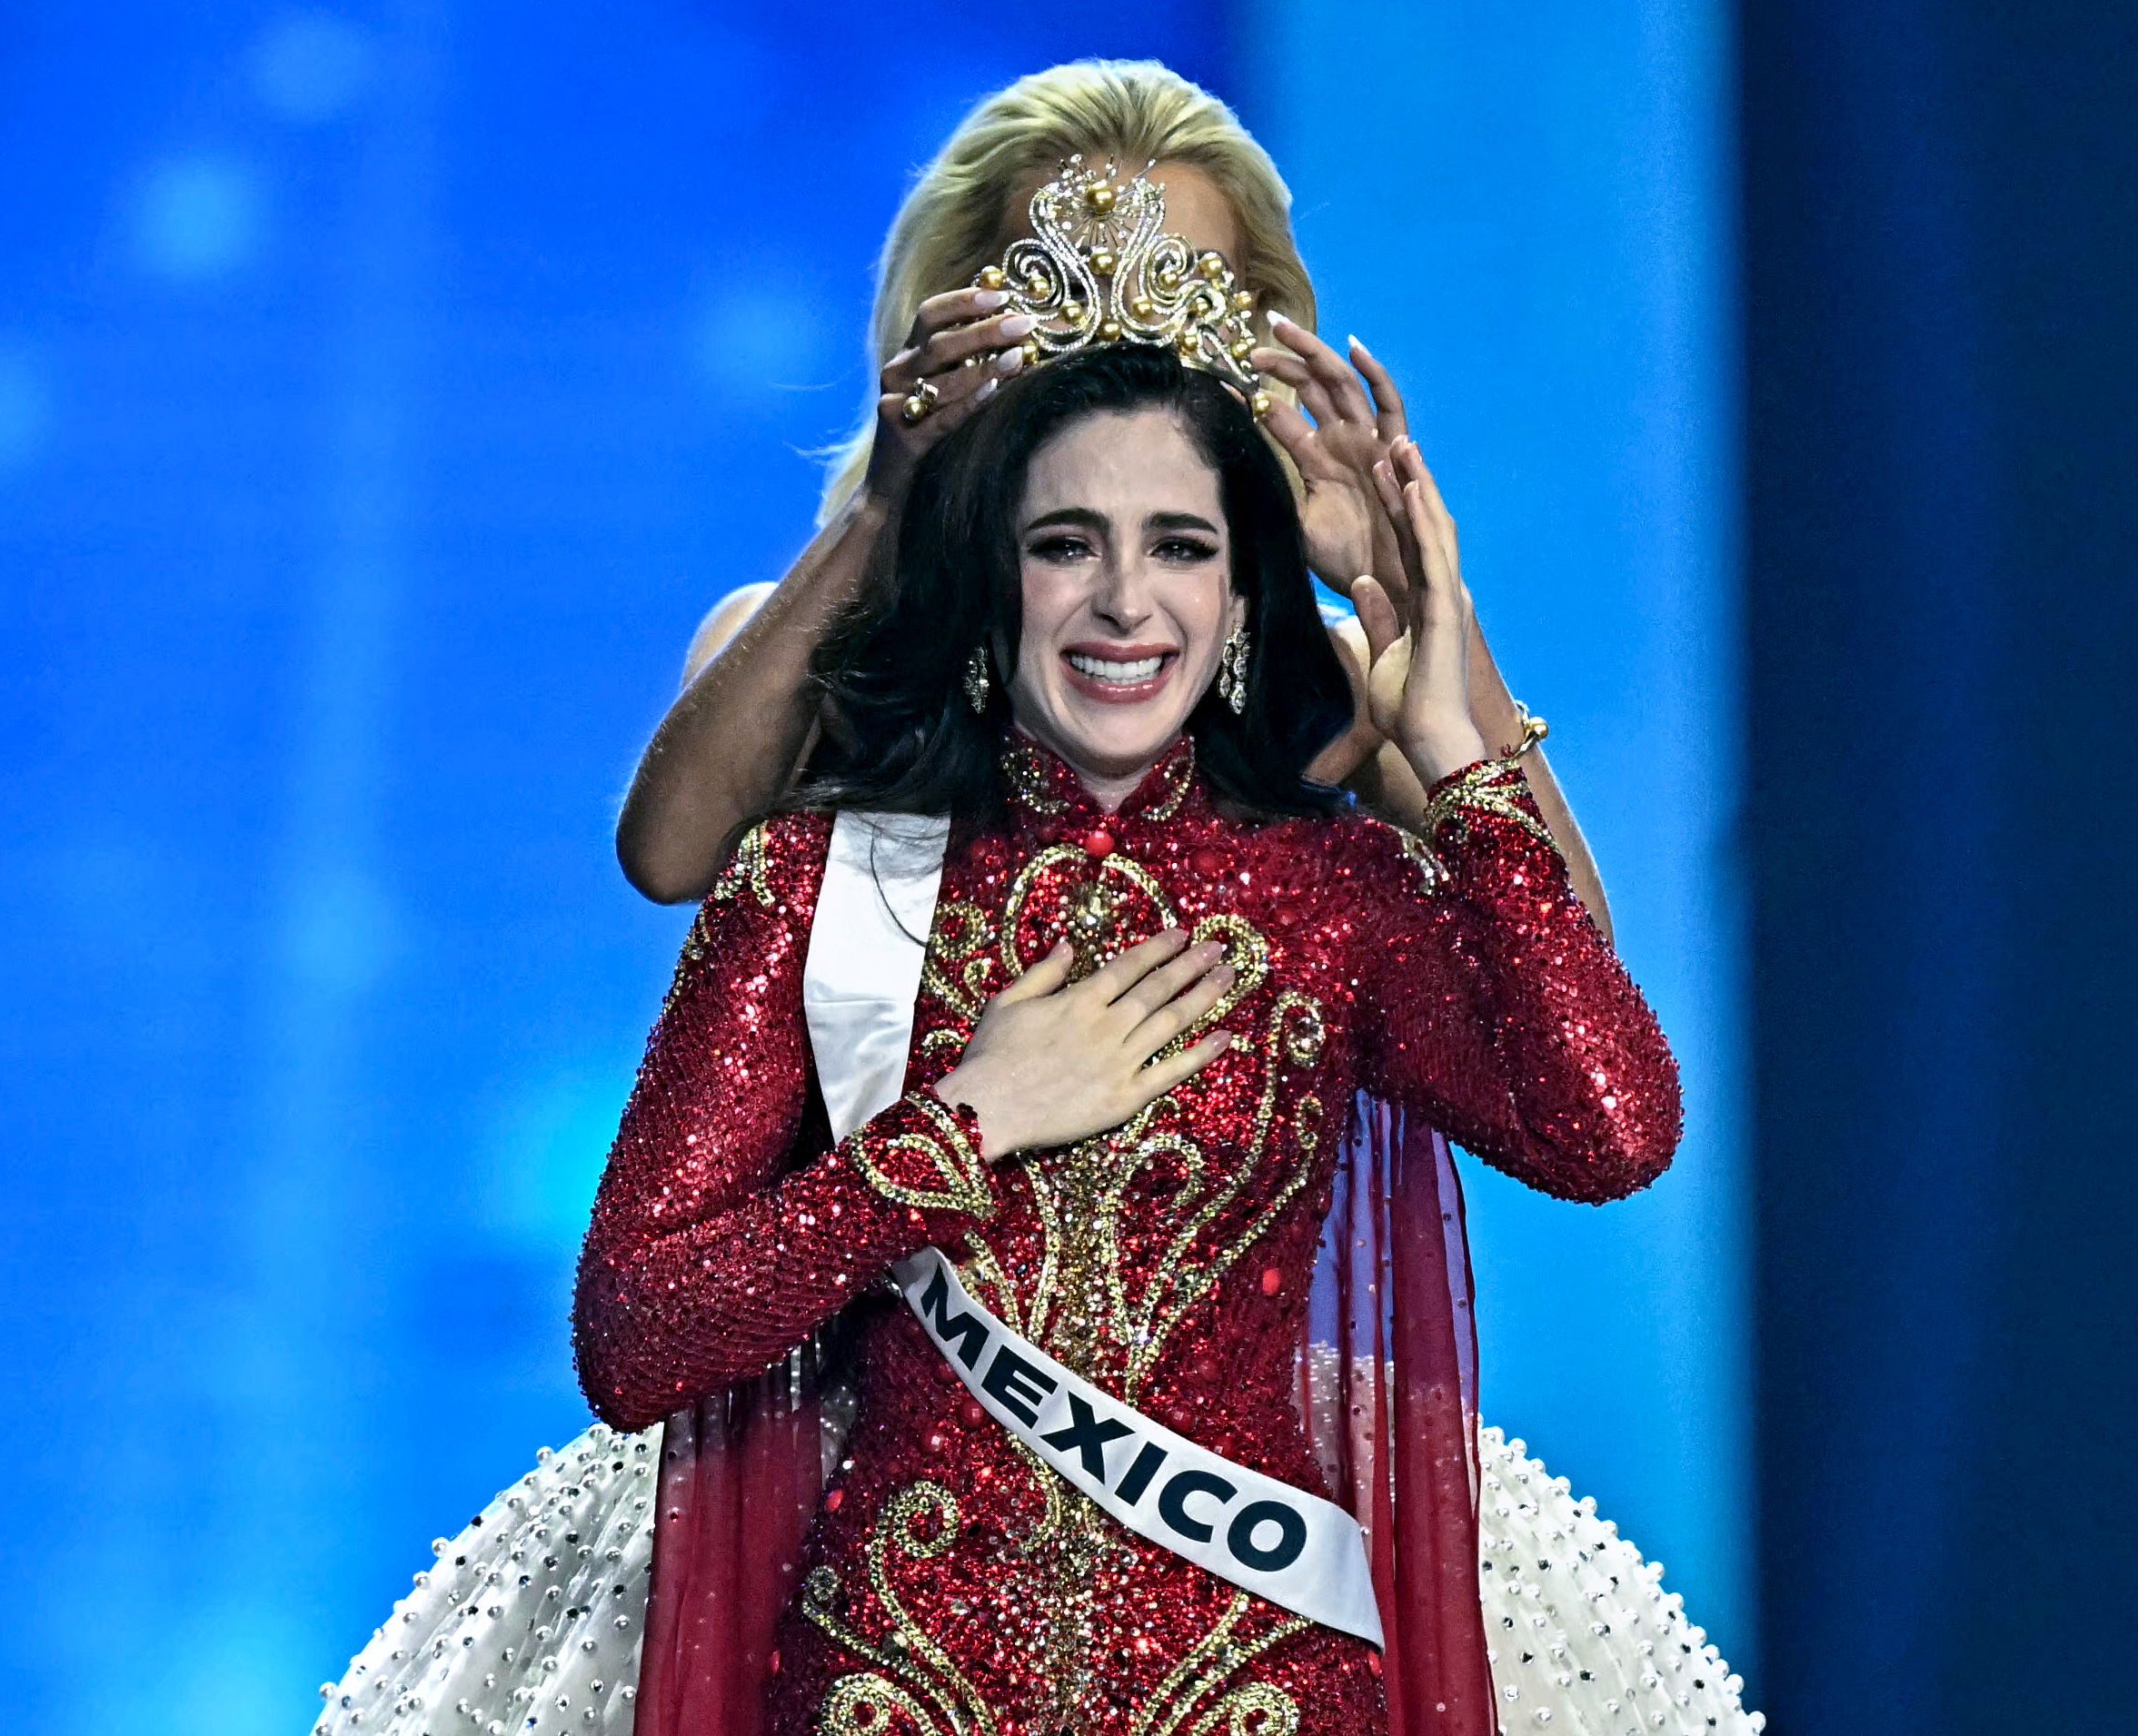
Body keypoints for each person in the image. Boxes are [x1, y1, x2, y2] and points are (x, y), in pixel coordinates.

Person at [567, 339, 1682, 1735]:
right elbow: (634, 1333)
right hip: (895, 1691)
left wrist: (1456, 751)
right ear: (992, 584)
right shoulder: (817, 876)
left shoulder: (1333, 897)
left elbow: (1613, 1129)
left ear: (1236, 597)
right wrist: (961, 1127)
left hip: (1254, 1683)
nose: (1122, 600)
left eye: (1177, 545)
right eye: (1064, 543)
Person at [612, 59, 1616, 942]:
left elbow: (1575, 991)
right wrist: (884, 511)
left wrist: (1410, 589)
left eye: (1169, 306)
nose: (1117, 378)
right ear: (957, 331)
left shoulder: (1326, 678)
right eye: (1069, 308)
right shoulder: (820, 650)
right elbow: (671, 859)